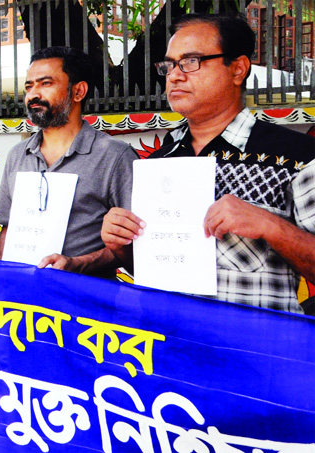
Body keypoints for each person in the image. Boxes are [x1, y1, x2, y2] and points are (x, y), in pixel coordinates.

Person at [101, 13, 315, 313]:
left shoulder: (297, 155)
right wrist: (121, 243)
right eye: (170, 65)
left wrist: (270, 226)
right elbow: (153, 268)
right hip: (171, 344)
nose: (175, 75)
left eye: (191, 62)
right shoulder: (161, 161)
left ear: (238, 69)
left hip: (253, 351)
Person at [0, 47, 137, 277]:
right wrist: (0, 282)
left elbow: (133, 243)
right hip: (23, 304)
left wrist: (78, 264)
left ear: (78, 91)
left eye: (45, 83)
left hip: (83, 303)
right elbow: (8, 230)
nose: (33, 95)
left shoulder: (115, 156)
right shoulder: (17, 155)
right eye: (29, 86)